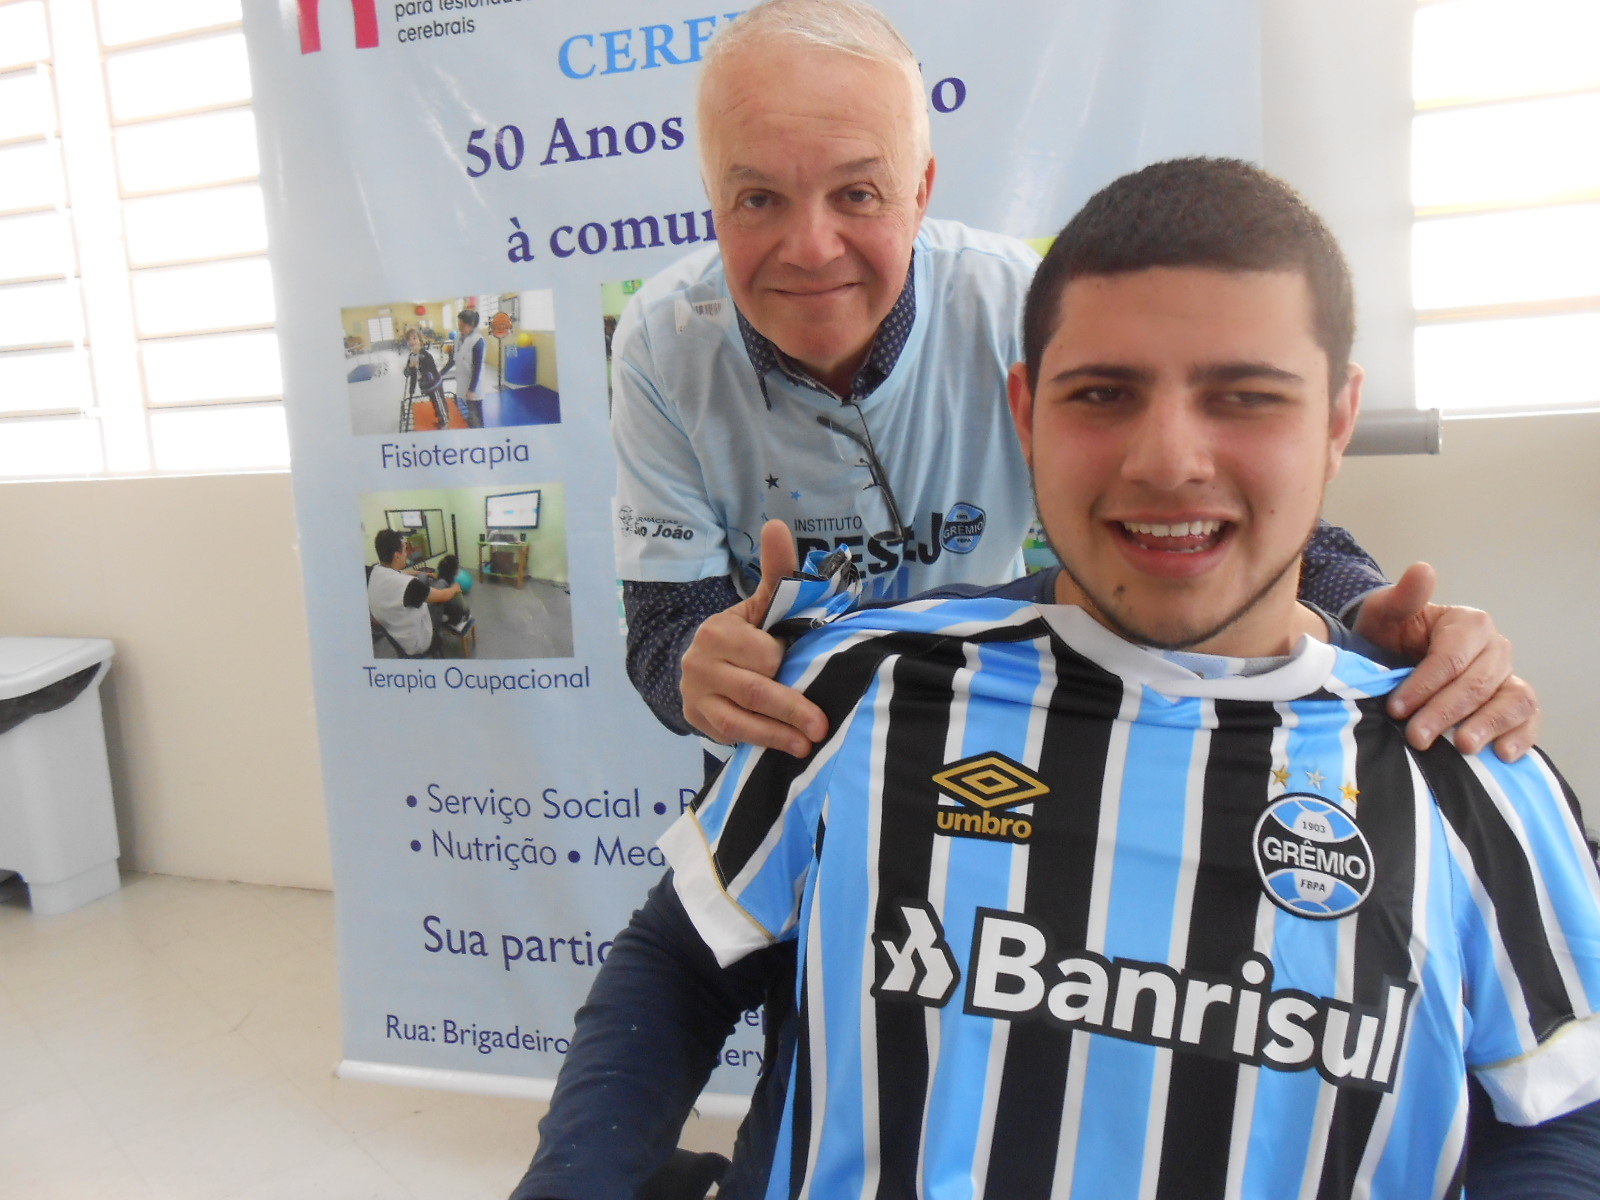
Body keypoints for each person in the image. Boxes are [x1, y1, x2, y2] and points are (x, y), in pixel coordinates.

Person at [514, 161, 1600, 1198]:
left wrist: (1362, 606)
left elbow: (1556, 1107)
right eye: (1104, 395)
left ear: (1336, 422)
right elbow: (683, 959)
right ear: (1027, 412)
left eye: (1246, 397)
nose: (1167, 458)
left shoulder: (1467, 767)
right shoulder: (858, 688)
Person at [611, 0, 1537, 771]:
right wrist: (697, 676)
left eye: (858, 194)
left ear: (922, 189)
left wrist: (1358, 615)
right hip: (800, 766)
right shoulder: (659, 342)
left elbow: (1196, 496)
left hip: (1025, 753)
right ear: (711, 199)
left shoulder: (1021, 304)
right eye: (758, 198)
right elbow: (663, 629)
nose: (811, 249)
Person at [367, 528, 472, 656]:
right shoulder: (409, 586)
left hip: (395, 630)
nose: (407, 554)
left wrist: (422, 573)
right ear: (397, 555)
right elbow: (444, 596)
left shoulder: (374, 570)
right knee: (443, 586)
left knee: (422, 577)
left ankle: (454, 609)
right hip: (418, 642)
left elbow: (402, 573)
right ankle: (462, 613)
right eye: (405, 550)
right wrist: (455, 588)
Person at [446, 308, 488, 428]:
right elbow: (453, 359)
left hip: (474, 385)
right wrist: (441, 373)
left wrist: (472, 389)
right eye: (459, 324)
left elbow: (477, 368)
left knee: (476, 415)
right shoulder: (459, 337)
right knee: (469, 411)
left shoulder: (478, 341)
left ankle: (481, 436)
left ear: (472, 325)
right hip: (463, 382)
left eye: (463, 325)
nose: (460, 327)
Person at [403, 328, 449, 430]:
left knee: (438, 401)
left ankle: (444, 419)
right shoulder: (411, 356)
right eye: (409, 339)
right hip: (425, 385)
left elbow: (432, 369)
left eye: (414, 338)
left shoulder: (426, 355)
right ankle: (440, 415)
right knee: (434, 402)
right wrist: (411, 387)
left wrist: (419, 363)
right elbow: (409, 373)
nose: (412, 341)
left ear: (420, 340)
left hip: (434, 384)